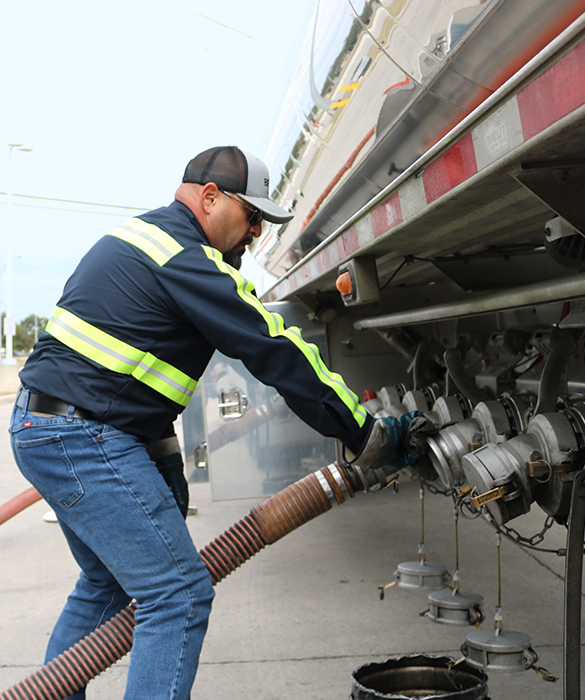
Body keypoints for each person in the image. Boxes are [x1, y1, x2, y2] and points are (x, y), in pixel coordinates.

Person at [9, 146, 421, 700]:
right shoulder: (187, 257)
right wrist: (365, 433)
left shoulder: (141, 238)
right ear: (209, 198)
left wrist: (164, 468)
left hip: (48, 429)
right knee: (177, 596)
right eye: (251, 216)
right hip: (82, 437)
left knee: (106, 585)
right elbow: (275, 348)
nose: (255, 232)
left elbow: (120, 378)